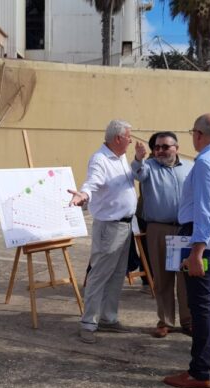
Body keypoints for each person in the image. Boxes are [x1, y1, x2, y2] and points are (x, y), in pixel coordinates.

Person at [163, 114, 210, 388]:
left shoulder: (206, 161)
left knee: (202, 304)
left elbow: (205, 207)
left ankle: (200, 370)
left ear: (198, 134)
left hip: (205, 235)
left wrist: (197, 249)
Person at [69, 120, 138, 344]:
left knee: (118, 274)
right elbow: (93, 182)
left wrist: (138, 160)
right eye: (128, 136)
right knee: (99, 275)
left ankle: (108, 318)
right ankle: (89, 323)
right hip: (110, 227)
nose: (130, 139)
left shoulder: (120, 157)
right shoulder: (100, 159)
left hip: (125, 226)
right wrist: (83, 195)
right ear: (118, 138)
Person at [132, 131, 193, 338]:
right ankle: (165, 321)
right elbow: (137, 173)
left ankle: (188, 320)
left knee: (186, 278)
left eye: (165, 147)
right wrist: (139, 158)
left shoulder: (190, 167)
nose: (159, 151)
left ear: (176, 148)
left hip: (185, 228)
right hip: (158, 228)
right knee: (162, 277)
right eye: (156, 147)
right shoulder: (148, 167)